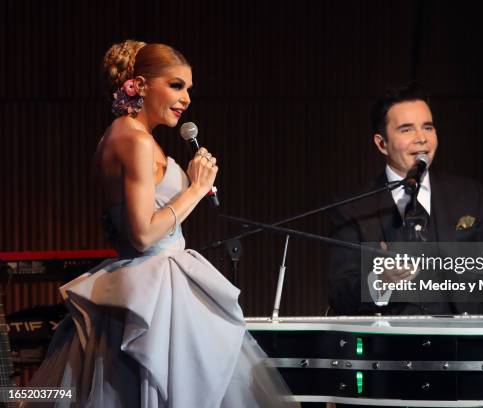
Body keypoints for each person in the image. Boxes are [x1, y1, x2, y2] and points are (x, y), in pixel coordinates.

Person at [23, 40, 293, 407]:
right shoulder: (133, 140)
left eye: (189, 90)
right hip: (152, 291)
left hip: (145, 287)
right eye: (176, 85)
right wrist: (196, 189)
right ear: (140, 85)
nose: (186, 99)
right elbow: (143, 234)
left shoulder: (123, 137)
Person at [328, 84, 483, 316]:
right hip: (391, 345)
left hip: (461, 341)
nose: (421, 139)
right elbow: (340, 295)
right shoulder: (354, 208)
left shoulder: (468, 195)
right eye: (406, 130)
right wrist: (380, 281)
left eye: (428, 127)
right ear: (381, 143)